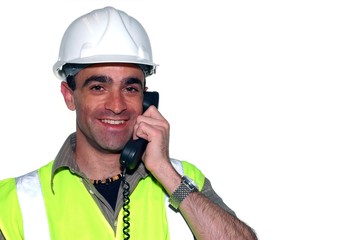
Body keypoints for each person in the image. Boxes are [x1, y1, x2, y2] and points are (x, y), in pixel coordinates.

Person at [0, 6, 257, 240]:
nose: (117, 105)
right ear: (70, 95)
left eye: (131, 88)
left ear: (147, 99)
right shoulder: (13, 202)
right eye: (99, 87)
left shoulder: (184, 179)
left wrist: (165, 172)